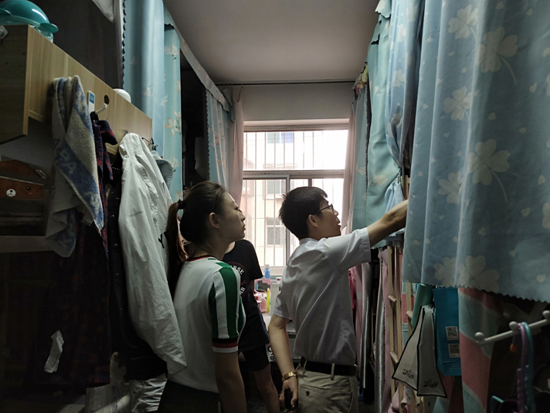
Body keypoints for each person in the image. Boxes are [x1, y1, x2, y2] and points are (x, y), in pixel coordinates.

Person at [268, 186, 408, 412]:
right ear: (313, 220)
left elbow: (276, 326)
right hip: (330, 387)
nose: (336, 213)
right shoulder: (326, 251)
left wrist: (288, 374)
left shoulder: (294, 262)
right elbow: (391, 220)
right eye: (329, 207)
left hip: (310, 380)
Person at [159, 181, 247, 413]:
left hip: (173, 396)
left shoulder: (187, 268)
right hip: (202, 402)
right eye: (235, 208)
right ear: (214, 220)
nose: (242, 215)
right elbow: (227, 374)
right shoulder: (222, 275)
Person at [223, 239, 280, 413]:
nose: (243, 224)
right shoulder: (209, 251)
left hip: (251, 323)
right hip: (224, 327)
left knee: (266, 385)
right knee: (228, 386)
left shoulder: (244, 247)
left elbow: (249, 287)